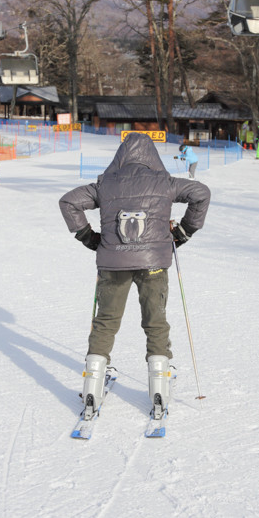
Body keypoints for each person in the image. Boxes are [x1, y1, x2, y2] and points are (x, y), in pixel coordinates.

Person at [59, 132, 210, 420]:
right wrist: (184, 232)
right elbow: (201, 194)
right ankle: (159, 385)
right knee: (155, 321)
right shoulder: (164, 182)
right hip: (154, 262)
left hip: (112, 263)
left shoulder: (106, 184)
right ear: (152, 156)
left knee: (105, 322)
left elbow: (68, 202)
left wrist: (89, 237)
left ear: (121, 156)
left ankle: (92, 385)